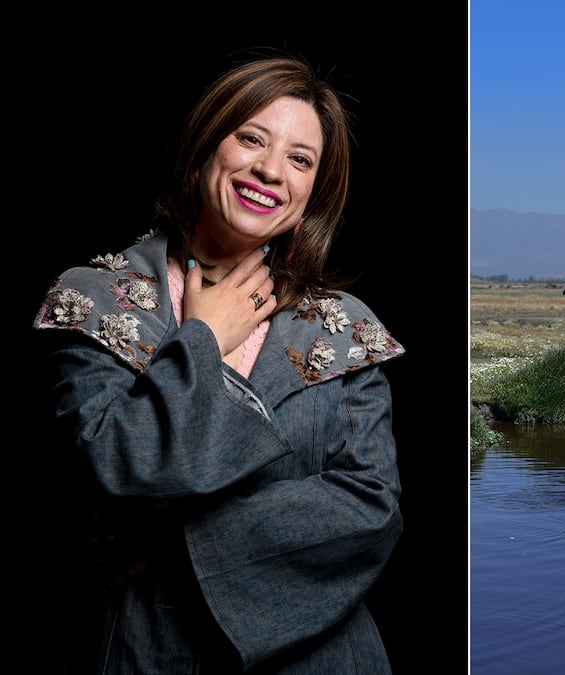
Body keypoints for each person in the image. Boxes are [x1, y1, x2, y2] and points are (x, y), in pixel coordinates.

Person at [31, 54, 405, 673]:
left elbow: (372, 507)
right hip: (148, 651)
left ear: (313, 191)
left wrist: (176, 542)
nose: (269, 170)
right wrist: (204, 336)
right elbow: (110, 469)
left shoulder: (345, 326)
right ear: (207, 146)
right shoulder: (96, 297)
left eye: (300, 159)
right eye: (251, 138)